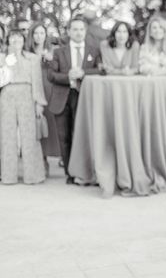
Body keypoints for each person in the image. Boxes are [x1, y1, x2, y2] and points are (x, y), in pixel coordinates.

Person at [48, 16, 101, 185]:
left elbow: (100, 71)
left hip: (84, 96)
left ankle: (82, 170)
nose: (78, 32)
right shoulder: (58, 52)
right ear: (69, 32)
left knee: (80, 133)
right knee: (64, 136)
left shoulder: (94, 50)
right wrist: (68, 76)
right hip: (62, 96)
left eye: (81, 29)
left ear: (85, 31)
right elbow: (51, 75)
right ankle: (69, 173)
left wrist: (83, 73)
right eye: (75, 29)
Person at [0, 29, 47, 184]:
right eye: (12, 37)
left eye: (19, 37)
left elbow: (37, 81)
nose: (16, 40)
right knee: (7, 136)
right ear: (8, 40)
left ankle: (33, 175)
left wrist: (39, 103)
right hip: (7, 95)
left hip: (27, 94)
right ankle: (8, 175)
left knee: (30, 135)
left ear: (23, 40)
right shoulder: (2, 58)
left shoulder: (32, 58)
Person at [26, 23, 59, 175]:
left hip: (49, 90)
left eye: (42, 33)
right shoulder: (26, 52)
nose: (39, 36)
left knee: (47, 126)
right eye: (36, 33)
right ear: (32, 35)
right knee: (35, 125)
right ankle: (40, 160)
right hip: (32, 90)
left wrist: (50, 59)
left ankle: (51, 157)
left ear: (46, 35)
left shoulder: (52, 51)